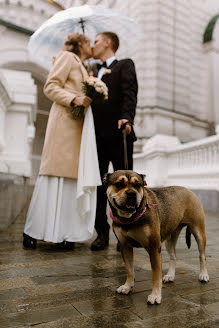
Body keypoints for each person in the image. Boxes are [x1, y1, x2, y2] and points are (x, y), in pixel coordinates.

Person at [23, 33, 101, 249]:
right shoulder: (67, 57)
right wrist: (74, 98)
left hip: (78, 128)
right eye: (89, 42)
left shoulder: (84, 66)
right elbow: (51, 86)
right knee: (55, 177)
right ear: (81, 45)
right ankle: (33, 230)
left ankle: (64, 233)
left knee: (69, 181)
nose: (92, 45)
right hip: (64, 126)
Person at [91, 31, 138, 251]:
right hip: (95, 139)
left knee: (125, 188)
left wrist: (127, 117)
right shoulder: (92, 71)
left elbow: (130, 93)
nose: (93, 45)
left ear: (108, 43)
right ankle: (101, 233)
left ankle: (125, 233)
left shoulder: (124, 64)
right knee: (100, 187)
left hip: (120, 135)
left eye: (96, 41)